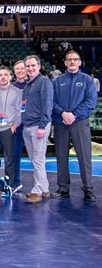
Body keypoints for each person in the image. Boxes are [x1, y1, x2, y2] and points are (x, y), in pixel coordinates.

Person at [51, 50, 97, 202]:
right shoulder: (57, 81)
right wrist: (63, 113)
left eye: (75, 59)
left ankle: (88, 189)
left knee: (84, 157)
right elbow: (51, 102)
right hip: (60, 123)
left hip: (80, 123)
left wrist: (74, 115)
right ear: (64, 62)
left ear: (79, 62)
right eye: (69, 59)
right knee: (61, 157)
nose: (72, 62)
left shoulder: (87, 80)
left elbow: (91, 102)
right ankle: (63, 188)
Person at [22, 55, 53, 203]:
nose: (30, 68)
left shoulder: (44, 82)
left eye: (33, 65)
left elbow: (47, 105)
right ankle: (45, 188)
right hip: (27, 126)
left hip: (38, 126)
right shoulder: (28, 84)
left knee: (38, 160)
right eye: (28, 66)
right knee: (35, 160)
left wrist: (42, 126)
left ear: (39, 66)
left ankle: (37, 191)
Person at [0, 66, 22, 195]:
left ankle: (9, 186)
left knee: (9, 158)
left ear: (10, 77)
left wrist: (14, 126)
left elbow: (20, 111)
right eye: (0, 75)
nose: (3, 77)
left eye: (5, 74)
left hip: (9, 128)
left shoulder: (17, 91)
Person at [11, 60, 27, 192]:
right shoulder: (11, 87)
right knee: (14, 154)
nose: (20, 71)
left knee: (37, 157)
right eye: (17, 69)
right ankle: (15, 182)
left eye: (22, 68)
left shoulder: (33, 84)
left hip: (31, 124)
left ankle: (42, 186)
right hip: (16, 126)